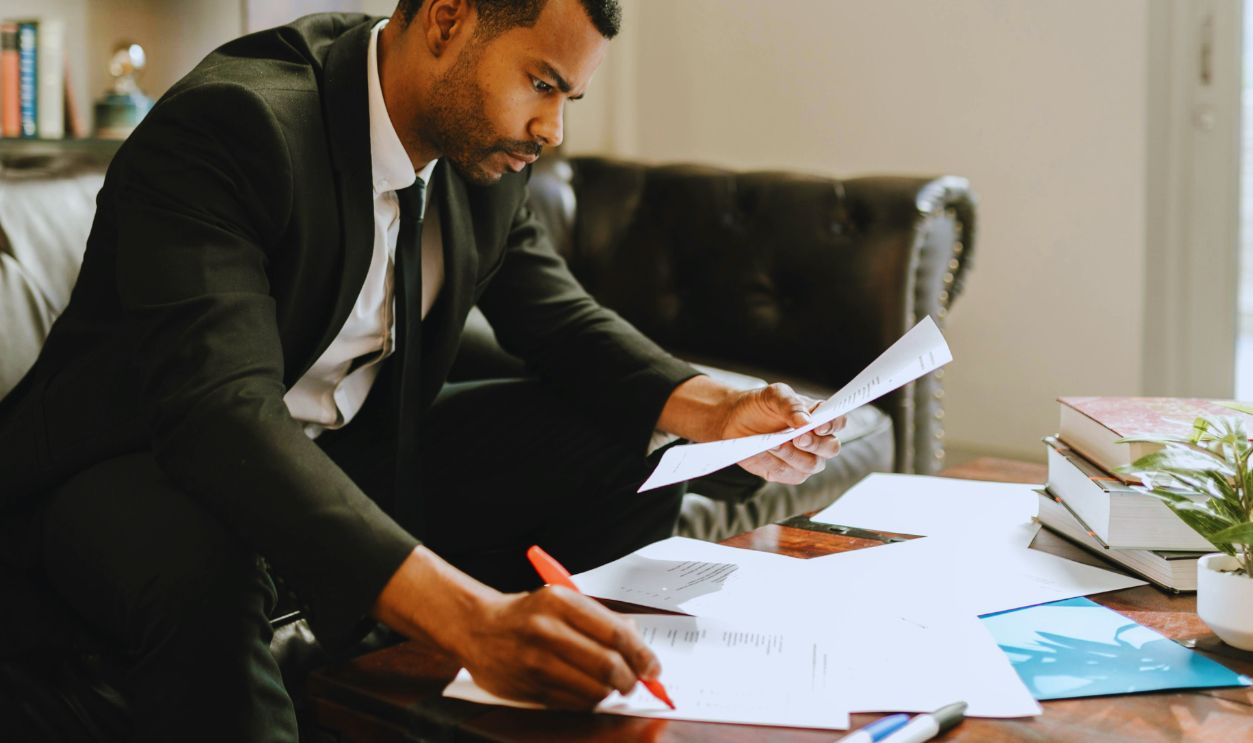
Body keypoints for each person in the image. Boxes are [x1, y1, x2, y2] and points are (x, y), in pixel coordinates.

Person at [0, 0, 845, 739]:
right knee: (206, 553)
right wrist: (473, 618)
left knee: (623, 439)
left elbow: (558, 319)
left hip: (345, 454)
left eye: (568, 98)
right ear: (447, 20)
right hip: (129, 466)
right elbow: (221, 415)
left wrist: (715, 409)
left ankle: (563, 694)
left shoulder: (476, 152)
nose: (552, 130)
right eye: (542, 84)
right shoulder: (236, 125)